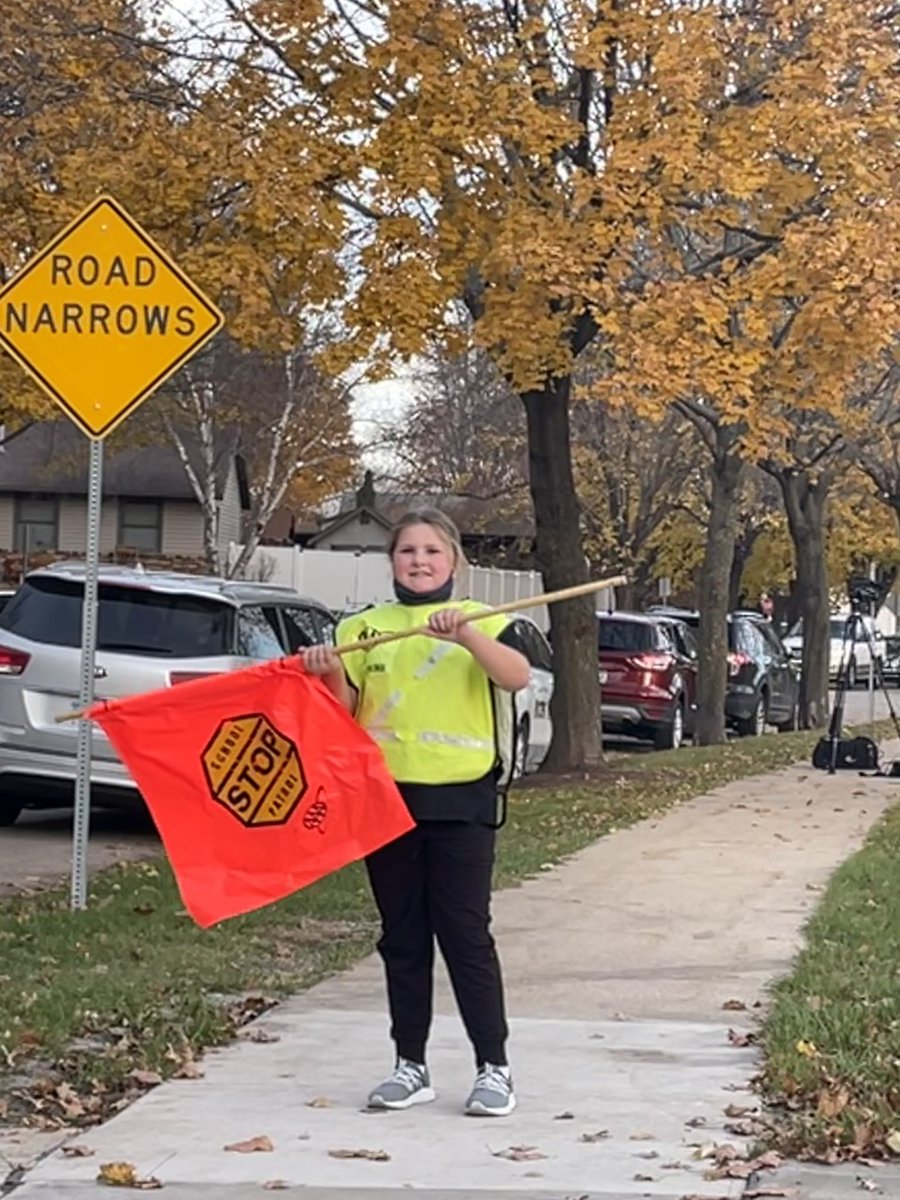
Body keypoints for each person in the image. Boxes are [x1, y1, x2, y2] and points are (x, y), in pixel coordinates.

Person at [300, 509, 530, 1117]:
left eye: (432, 550)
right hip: (386, 804)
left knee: (465, 937)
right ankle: (411, 1064)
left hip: (463, 803)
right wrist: (328, 672)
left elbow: (516, 676)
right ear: (392, 561)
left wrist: (467, 637)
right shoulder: (364, 628)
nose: (420, 561)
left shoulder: (486, 620)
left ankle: (494, 1069)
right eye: (408, 551)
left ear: (454, 561)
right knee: (402, 938)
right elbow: (344, 713)